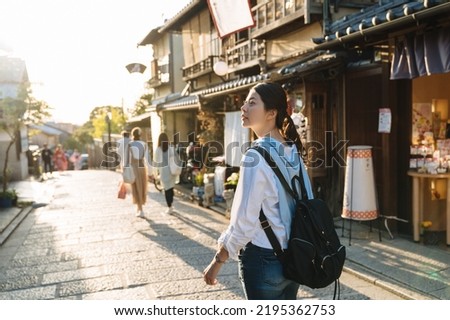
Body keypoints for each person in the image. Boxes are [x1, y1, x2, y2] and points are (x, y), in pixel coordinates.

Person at [203, 82, 313, 300]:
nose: (243, 108)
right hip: (293, 257)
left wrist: (218, 260)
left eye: (252, 103)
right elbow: (307, 200)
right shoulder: (292, 149)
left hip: (264, 258)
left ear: (271, 112)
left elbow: (244, 220)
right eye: (245, 102)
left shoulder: (256, 155)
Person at [153, 132, 179, 214]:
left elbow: (156, 163)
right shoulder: (171, 148)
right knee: (171, 188)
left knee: (166, 190)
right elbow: (177, 159)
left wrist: (155, 173)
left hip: (164, 172)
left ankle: (170, 207)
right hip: (172, 172)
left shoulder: (158, 150)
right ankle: (171, 204)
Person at [127, 127, 151, 218]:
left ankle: (139, 208)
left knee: (135, 188)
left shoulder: (130, 145)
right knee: (142, 187)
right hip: (141, 168)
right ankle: (140, 208)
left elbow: (127, 159)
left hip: (133, 168)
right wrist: (151, 172)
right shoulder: (143, 144)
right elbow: (148, 159)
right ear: (140, 135)